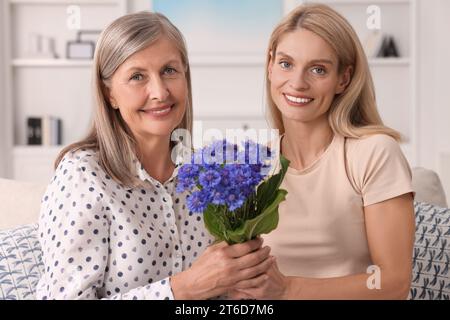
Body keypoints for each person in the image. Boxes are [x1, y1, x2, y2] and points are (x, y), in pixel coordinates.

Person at [35, 11, 272, 300]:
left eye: (169, 71)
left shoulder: (205, 177)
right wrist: (182, 289)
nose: (159, 92)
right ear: (109, 93)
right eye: (137, 76)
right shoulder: (83, 176)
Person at [229, 4, 415, 300]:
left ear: (344, 78)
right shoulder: (252, 166)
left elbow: (393, 283)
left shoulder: (374, 153)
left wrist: (289, 288)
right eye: (286, 64)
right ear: (270, 65)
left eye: (318, 69)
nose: (298, 83)